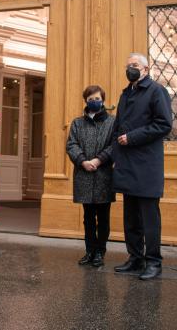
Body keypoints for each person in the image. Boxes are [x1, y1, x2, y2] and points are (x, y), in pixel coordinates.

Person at [112, 52, 172, 280]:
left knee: (149, 218)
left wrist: (132, 137)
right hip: (127, 164)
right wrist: (116, 155)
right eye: (128, 66)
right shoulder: (126, 94)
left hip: (147, 165)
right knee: (131, 218)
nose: (130, 69)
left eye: (135, 65)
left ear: (146, 69)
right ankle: (135, 258)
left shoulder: (157, 91)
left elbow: (164, 125)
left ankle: (154, 262)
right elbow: (118, 128)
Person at [67, 85, 115, 267]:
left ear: (103, 100)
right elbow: (71, 145)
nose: (94, 101)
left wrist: (98, 160)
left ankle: (100, 252)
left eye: (97, 98)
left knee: (103, 217)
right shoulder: (77, 123)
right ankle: (89, 251)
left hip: (103, 175)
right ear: (85, 101)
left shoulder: (112, 122)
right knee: (88, 217)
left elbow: (114, 146)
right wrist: (82, 161)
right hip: (84, 175)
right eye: (91, 99)